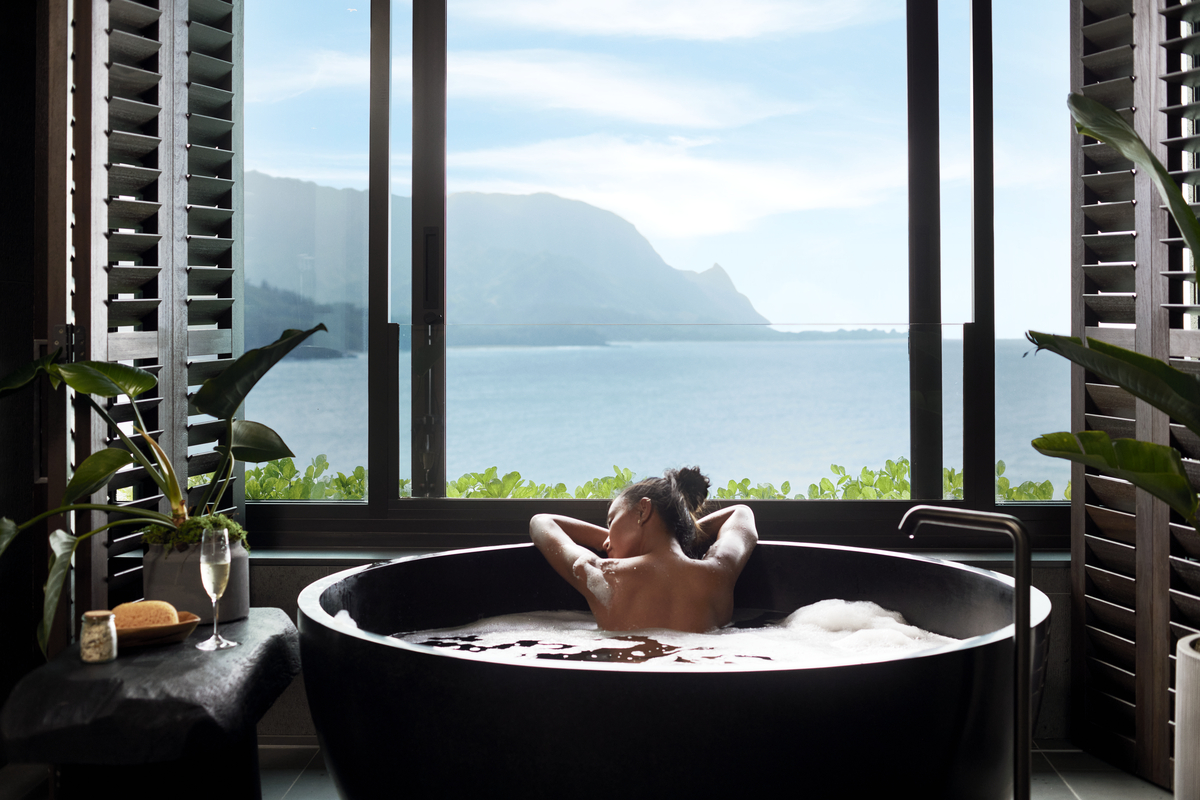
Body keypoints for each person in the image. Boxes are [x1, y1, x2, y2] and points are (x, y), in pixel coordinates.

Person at [529, 467, 758, 633]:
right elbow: (741, 513)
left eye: (611, 521)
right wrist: (680, 537)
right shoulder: (717, 574)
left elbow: (542, 522)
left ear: (642, 511)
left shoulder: (604, 575)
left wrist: (607, 539)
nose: (606, 542)